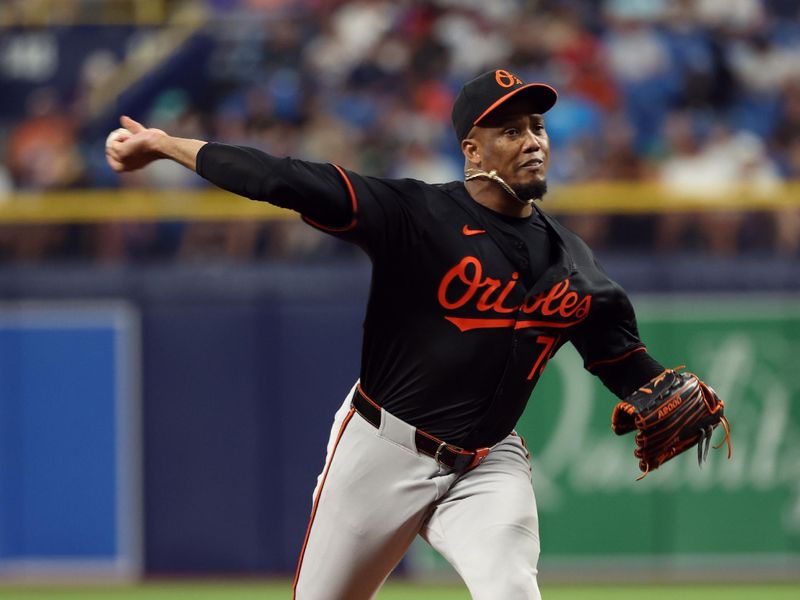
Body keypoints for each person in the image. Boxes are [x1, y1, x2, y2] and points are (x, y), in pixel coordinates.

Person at [105, 69, 697, 599]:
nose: (533, 142)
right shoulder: (415, 215)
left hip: (487, 463)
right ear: (472, 150)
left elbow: (619, 360)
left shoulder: (574, 260)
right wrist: (163, 145)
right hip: (382, 450)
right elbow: (279, 178)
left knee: (512, 589)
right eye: (511, 131)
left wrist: (660, 388)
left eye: (537, 128)